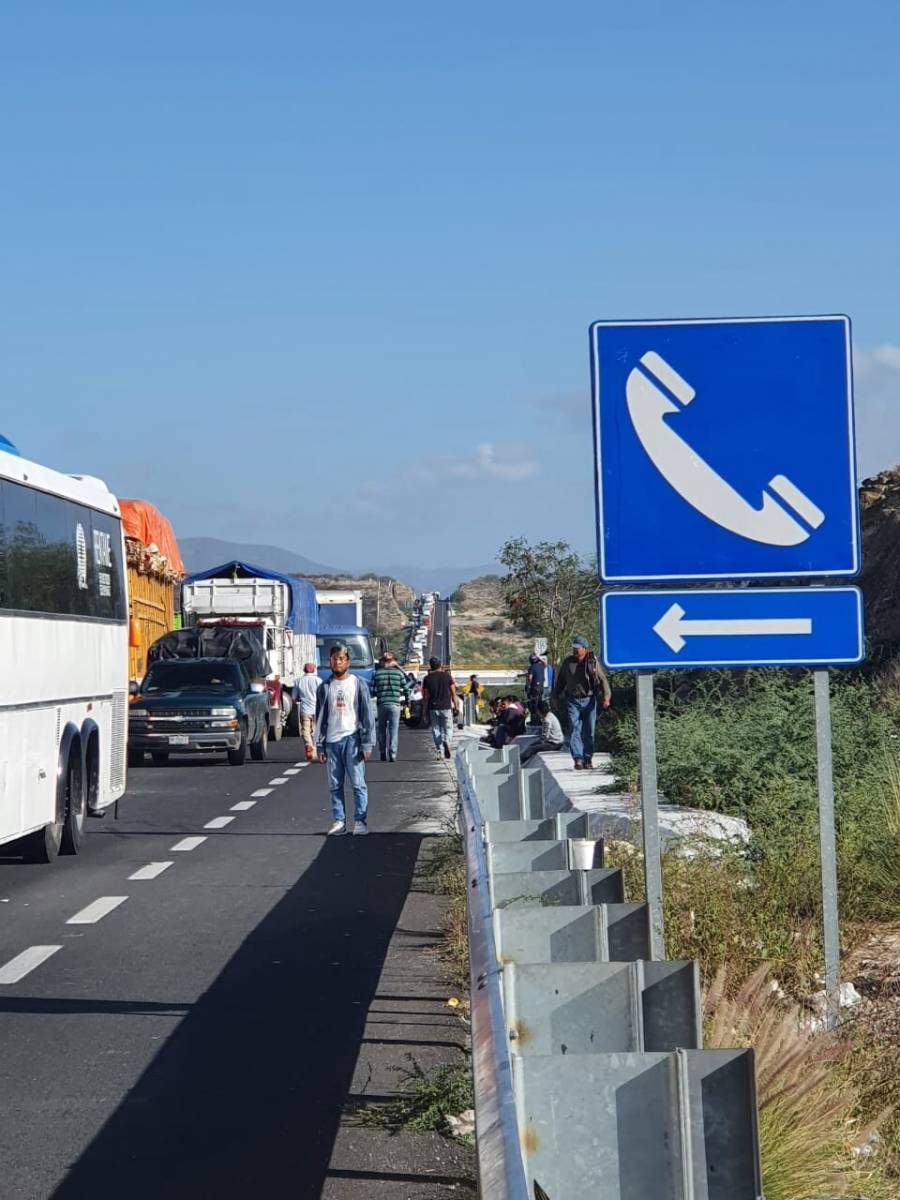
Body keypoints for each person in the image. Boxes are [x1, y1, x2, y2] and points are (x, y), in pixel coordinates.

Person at [315, 643, 376, 835]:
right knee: (335, 785)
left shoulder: (358, 684)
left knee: (358, 783)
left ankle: (360, 821)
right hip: (332, 742)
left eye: (341, 659)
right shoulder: (324, 687)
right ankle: (339, 821)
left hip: (353, 740)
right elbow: (320, 718)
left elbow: (367, 716)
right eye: (334, 659)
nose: (337, 662)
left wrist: (367, 743)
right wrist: (320, 745)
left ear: (348, 662)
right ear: (329, 662)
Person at [551, 635, 611, 771]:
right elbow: (560, 682)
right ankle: (578, 758)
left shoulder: (592, 662)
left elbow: (603, 680)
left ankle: (588, 759)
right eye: (574, 648)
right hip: (573, 700)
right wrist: (554, 697)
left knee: (589, 731)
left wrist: (606, 697)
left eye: (578, 648)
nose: (575, 651)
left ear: (585, 648)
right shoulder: (568, 663)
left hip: (589, 700)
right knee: (574, 728)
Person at [373, 650, 408, 762]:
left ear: (383, 662)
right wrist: (407, 700)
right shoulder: (398, 674)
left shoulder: (377, 674)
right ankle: (392, 754)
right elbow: (406, 688)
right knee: (394, 729)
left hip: (382, 704)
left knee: (381, 729)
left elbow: (372, 689)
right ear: (393, 661)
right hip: (395, 704)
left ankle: (382, 752)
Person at [422, 656, 458, 760]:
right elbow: (453, 693)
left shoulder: (427, 678)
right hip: (446, 707)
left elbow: (425, 697)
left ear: (430, 666)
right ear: (440, 665)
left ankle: (440, 751)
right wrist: (456, 707)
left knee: (436, 729)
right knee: (449, 728)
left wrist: (424, 712)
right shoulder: (447, 676)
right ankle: (447, 740)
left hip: (433, 707)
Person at [294, 662, 320, 761]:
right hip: (316, 709)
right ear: (314, 670)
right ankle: (315, 750)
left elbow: (294, 697)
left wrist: (298, 699)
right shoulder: (318, 681)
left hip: (304, 709)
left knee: (305, 729)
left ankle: (309, 745)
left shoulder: (298, 681)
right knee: (315, 730)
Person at [526, 654, 546, 726]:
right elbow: (545, 663)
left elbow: (530, 678)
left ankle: (535, 721)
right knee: (539, 704)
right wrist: (539, 658)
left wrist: (528, 687)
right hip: (541, 688)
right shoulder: (541, 667)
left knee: (533, 705)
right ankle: (540, 720)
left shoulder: (531, 668)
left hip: (534, 689)